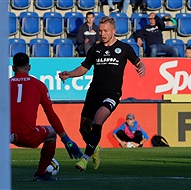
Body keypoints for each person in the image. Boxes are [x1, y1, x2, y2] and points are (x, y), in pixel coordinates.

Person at [0, 52, 83, 183]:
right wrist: (67, 140)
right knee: (52, 134)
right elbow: (51, 115)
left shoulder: (2, 86)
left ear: (13, 68)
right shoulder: (39, 85)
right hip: (27, 135)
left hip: (3, 134)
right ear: (29, 67)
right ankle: (40, 174)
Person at [59, 16, 145, 172]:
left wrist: (141, 68)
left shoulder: (124, 48)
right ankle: (95, 149)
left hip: (112, 94)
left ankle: (84, 160)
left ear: (114, 31)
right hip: (94, 92)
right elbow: (84, 68)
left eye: (105, 31)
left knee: (98, 120)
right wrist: (69, 74)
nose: (102, 33)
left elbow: (139, 62)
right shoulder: (95, 49)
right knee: (84, 129)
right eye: (100, 31)